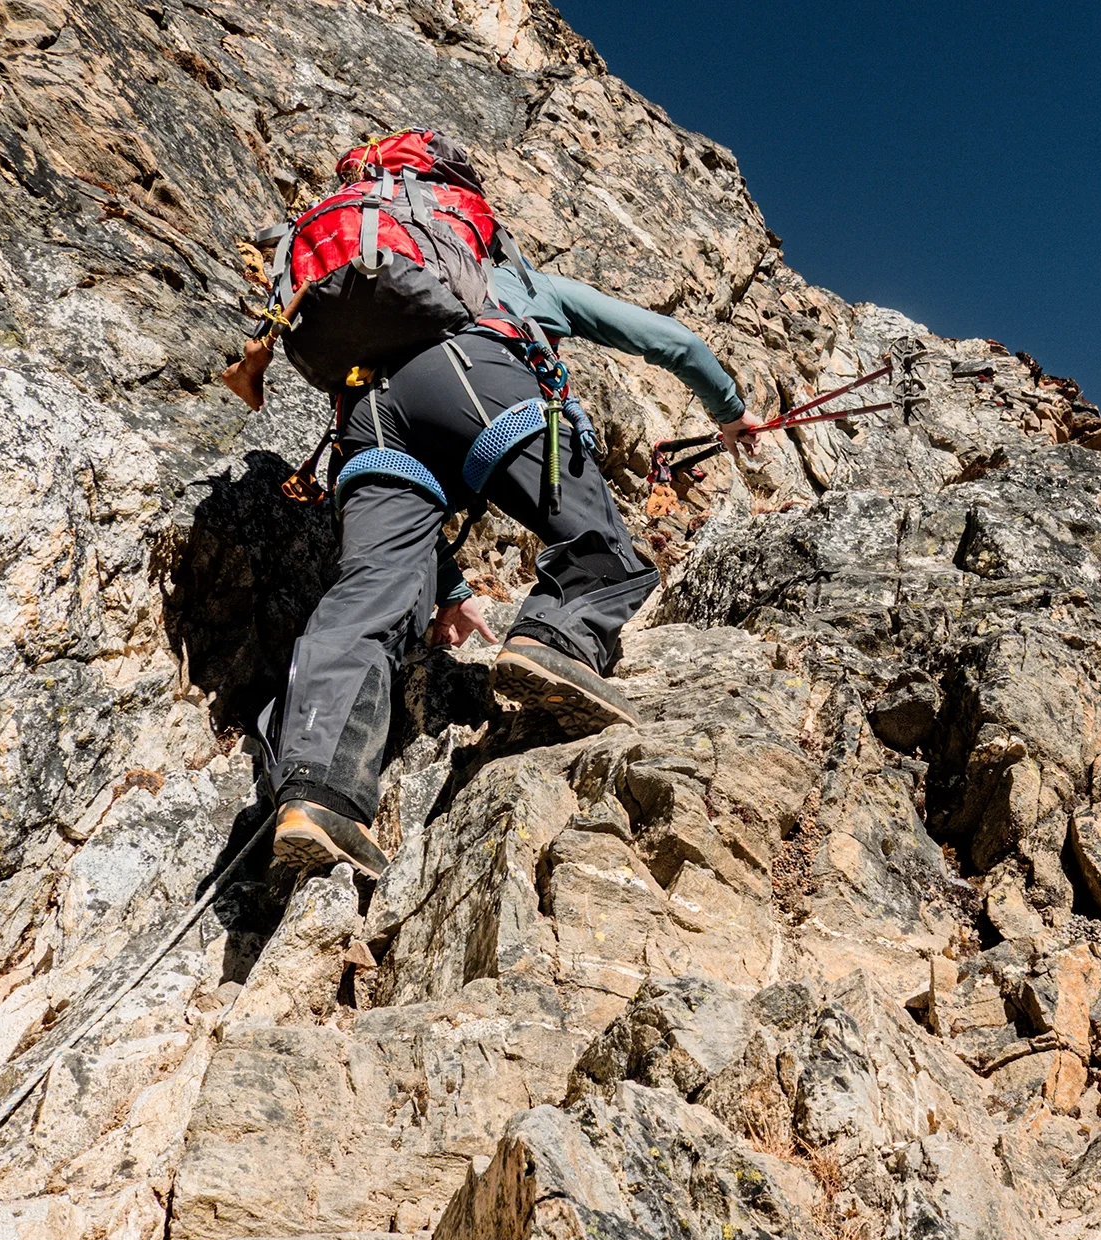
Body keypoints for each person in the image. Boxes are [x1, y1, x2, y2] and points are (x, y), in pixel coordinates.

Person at [266, 260, 764, 877]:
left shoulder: (364, 300)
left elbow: (409, 539)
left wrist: (452, 590)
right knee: (603, 548)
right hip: (469, 373)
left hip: (364, 418)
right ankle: (553, 640)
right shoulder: (508, 279)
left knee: (366, 599)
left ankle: (318, 793)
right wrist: (729, 411)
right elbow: (671, 340)